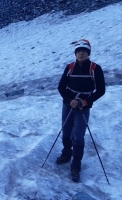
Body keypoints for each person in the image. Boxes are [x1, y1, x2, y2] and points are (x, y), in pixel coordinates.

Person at [56, 39, 105, 182]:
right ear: (75, 53)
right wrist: (68, 100)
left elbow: (101, 90)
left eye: (84, 51)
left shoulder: (95, 68)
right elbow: (61, 87)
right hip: (69, 103)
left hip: (83, 106)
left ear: (88, 53)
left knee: (78, 135)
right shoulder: (70, 67)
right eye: (78, 51)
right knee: (66, 129)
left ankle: (75, 166)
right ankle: (66, 154)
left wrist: (86, 101)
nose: (81, 53)